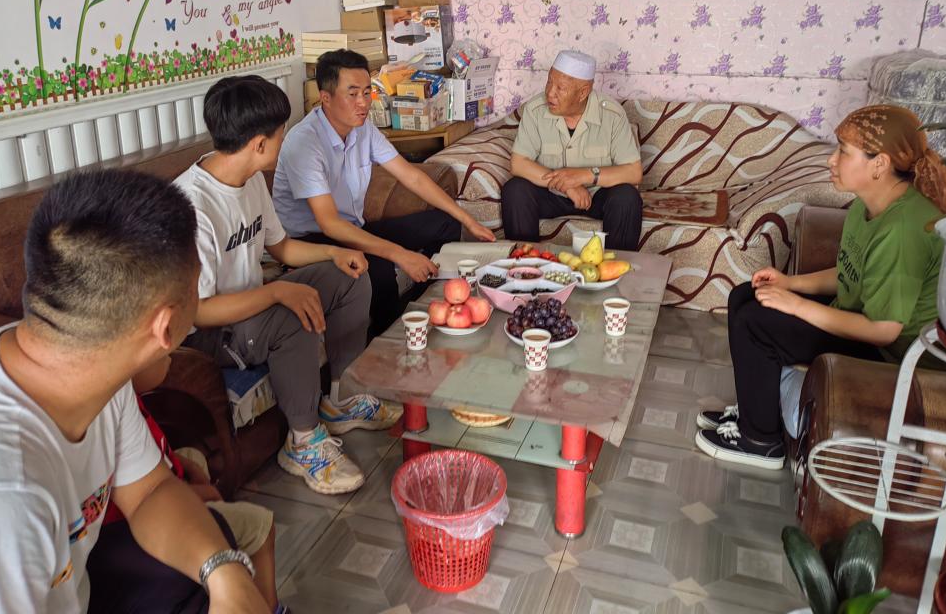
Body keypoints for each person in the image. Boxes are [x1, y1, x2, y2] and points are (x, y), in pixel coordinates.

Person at [0, 169, 269, 613]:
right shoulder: (1, 500)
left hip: (74, 583)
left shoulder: (87, 363)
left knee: (208, 547)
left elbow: (149, 492)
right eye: (196, 286)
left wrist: (225, 574)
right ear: (166, 327)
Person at [695, 105, 946, 470]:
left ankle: (761, 442)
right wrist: (790, 283)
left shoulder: (903, 230)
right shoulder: (868, 206)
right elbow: (850, 271)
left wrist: (796, 305)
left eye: (843, 152)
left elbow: (883, 330)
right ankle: (755, 414)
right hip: (860, 322)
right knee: (745, 296)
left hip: (891, 357)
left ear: (879, 164)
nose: (831, 160)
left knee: (756, 322)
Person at [176, 75, 396, 497]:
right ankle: (303, 441)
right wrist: (278, 292)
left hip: (251, 308)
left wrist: (334, 253)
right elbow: (197, 311)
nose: (284, 140)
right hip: (208, 334)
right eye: (281, 133)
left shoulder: (250, 178)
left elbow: (282, 248)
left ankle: (339, 399)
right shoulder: (191, 206)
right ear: (260, 144)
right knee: (293, 311)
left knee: (349, 274)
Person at [272, 49, 495, 338]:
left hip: (353, 228)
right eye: (353, 94)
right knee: (378, 269)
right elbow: (329, 224)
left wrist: (468, 219)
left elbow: (412, 177)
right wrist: (401, 255)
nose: (363, 103)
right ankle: (385, 344)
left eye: (367, 92)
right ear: (325, 98)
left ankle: (430, 308)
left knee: (445, 224)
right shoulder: (304, 143)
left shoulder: (362, 128)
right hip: (312, 240)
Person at [89, 353, 286, 613]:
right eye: (167, 353)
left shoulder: (121, 397)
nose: (172, 357)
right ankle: (271, 607)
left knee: (193, 459)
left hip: (151, 503)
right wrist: (197, 494)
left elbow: (151, 480)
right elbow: (144, 498)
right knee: (254, 524)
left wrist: (224, 575)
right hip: (124, 532)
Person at [502, 50, 644, 251]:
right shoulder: (535, 110)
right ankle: (525, 262)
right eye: (549, 82)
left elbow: (633, 172)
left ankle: (616, 265)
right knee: (515, 189)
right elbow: (518, 163)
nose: (550, 93)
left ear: (583, 93)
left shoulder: (612, 114)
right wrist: (568, 186)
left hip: (597, 196)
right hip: (550, 195)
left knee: (627, 196)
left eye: (560, 88)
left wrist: (585, 176)